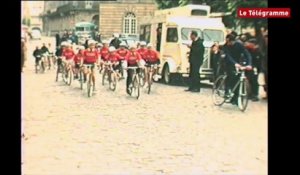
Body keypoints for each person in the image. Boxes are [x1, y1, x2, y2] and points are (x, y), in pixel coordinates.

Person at [222, 34, 253, 105]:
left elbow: (247, 54)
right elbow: (228, 56)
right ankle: (227, 91)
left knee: (237, 79)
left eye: (231, 42)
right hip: (227, 63)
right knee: (230, 76)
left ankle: (235, 99)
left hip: (238, 64)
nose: (230, 43)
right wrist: (234, 63)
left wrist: (249, 64)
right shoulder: (225, 47)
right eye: (229, 42)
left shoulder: (239, 45)